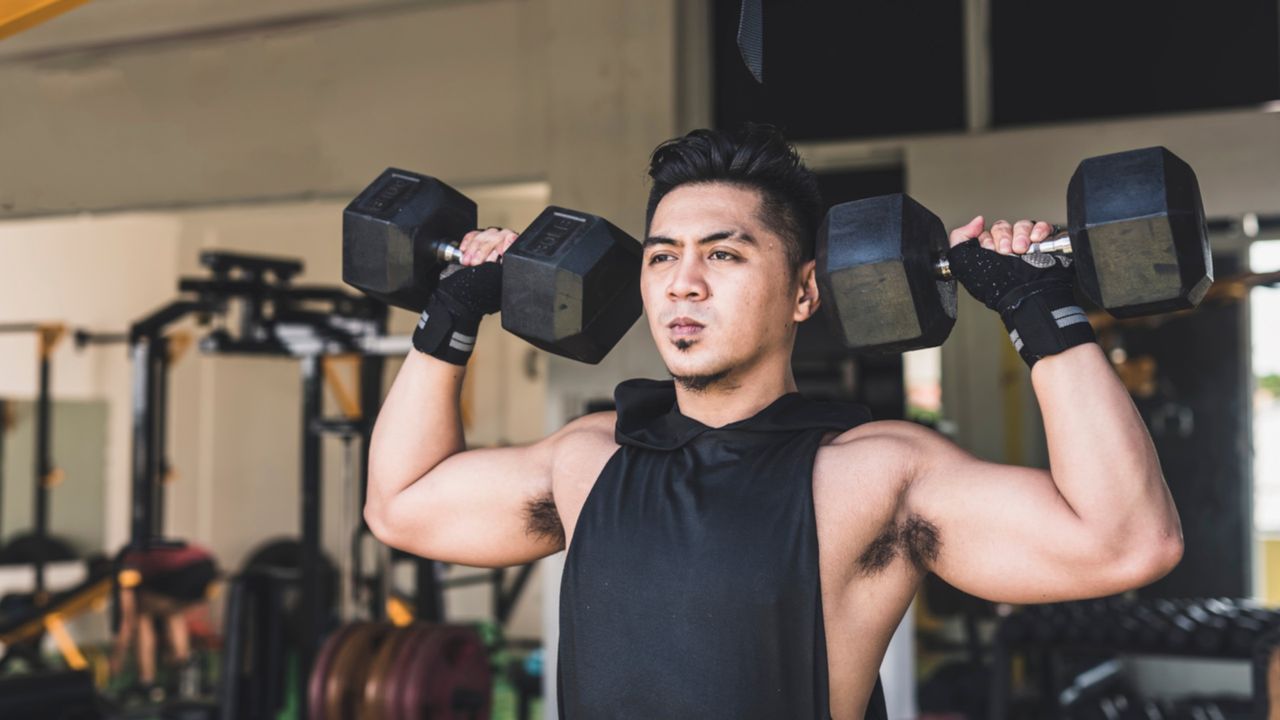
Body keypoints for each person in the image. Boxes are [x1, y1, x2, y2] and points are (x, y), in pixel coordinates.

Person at [364, 125, 1183, 719]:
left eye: (723, 254)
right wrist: (453, 314)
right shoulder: (587, 460)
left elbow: (1126, 540)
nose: (683, 283)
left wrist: (1041, 310)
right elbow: (399, 504)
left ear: (803, 292)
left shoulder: (871, 475)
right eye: (662, 256)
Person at [110, 542, 218, 698]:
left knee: (142, 615)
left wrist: (117, 657)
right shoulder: (144, 555)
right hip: (207, 565)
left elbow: (128, 619)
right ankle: (184, 680)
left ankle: (147, 682)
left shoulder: (125, 563)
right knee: (173, 612)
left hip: (183, 569)